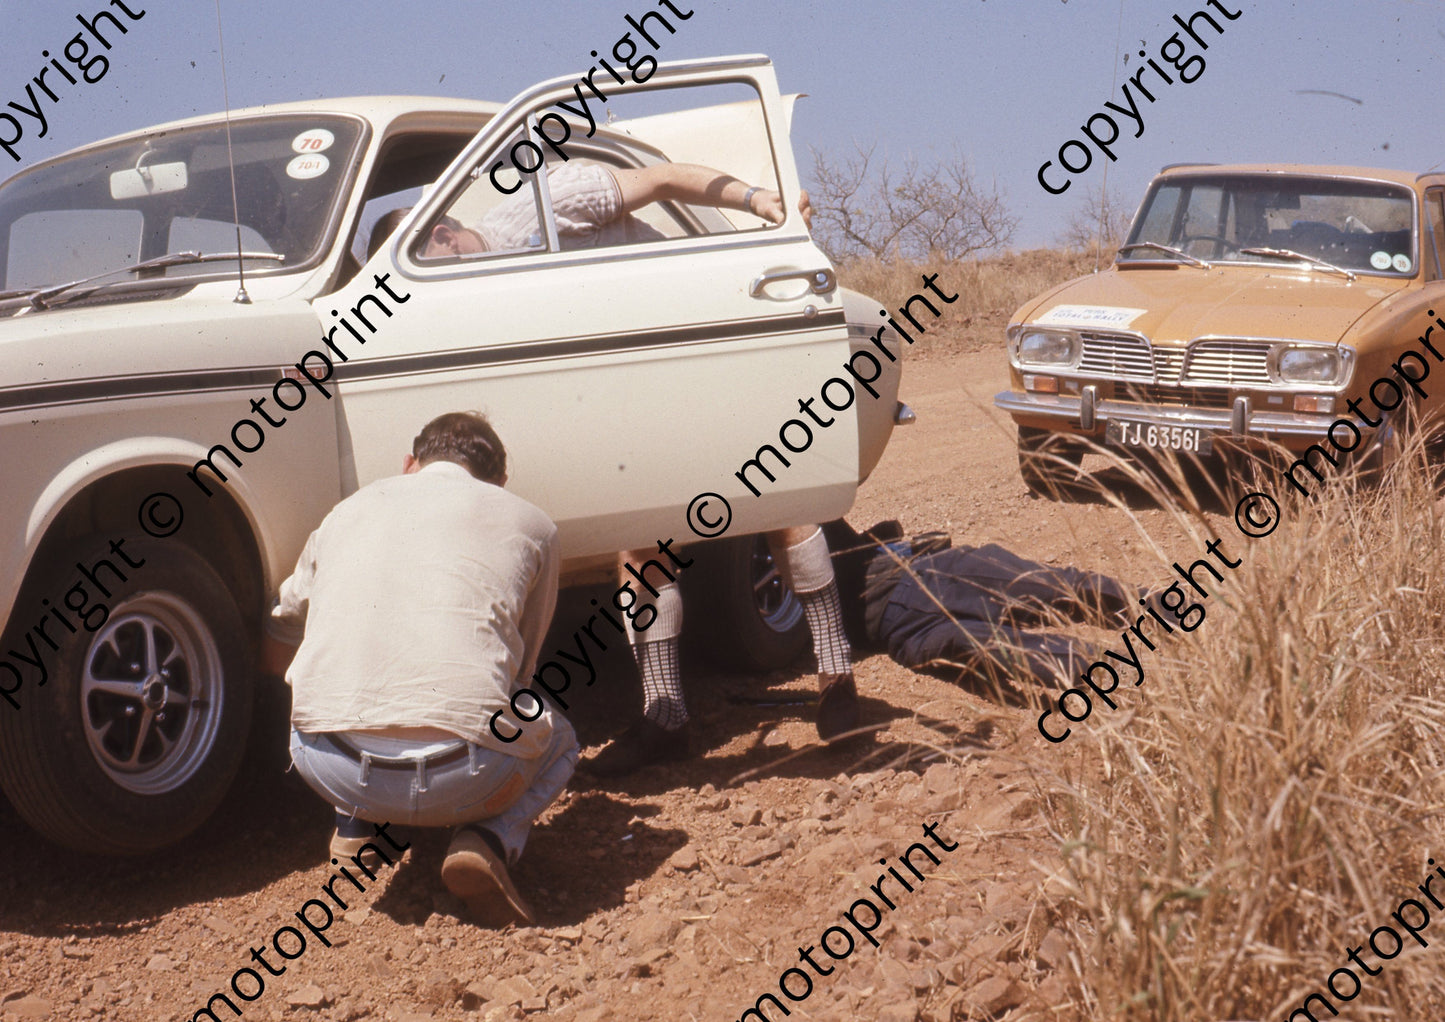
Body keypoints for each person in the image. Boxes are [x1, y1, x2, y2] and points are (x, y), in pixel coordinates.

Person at [368, 161, 861, 774]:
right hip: (623, 386)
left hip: (694, 340)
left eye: (424, 266)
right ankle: (666, 716)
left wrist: (762, 201)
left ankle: (837, 678)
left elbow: (664, 178)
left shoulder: (550, 198)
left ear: (441, 234)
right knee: (638, 534)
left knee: (776, 497)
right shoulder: (474, 290)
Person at [264, 411, 575, 927]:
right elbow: (523, 669)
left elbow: (286, 619)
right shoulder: (534, 524)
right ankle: (487, 839)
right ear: (499, 481)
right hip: (468, 772)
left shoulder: (345, 512)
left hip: (331, 766)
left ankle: (355, 827)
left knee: (334, 679)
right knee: (559, 738)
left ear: (409, 463)